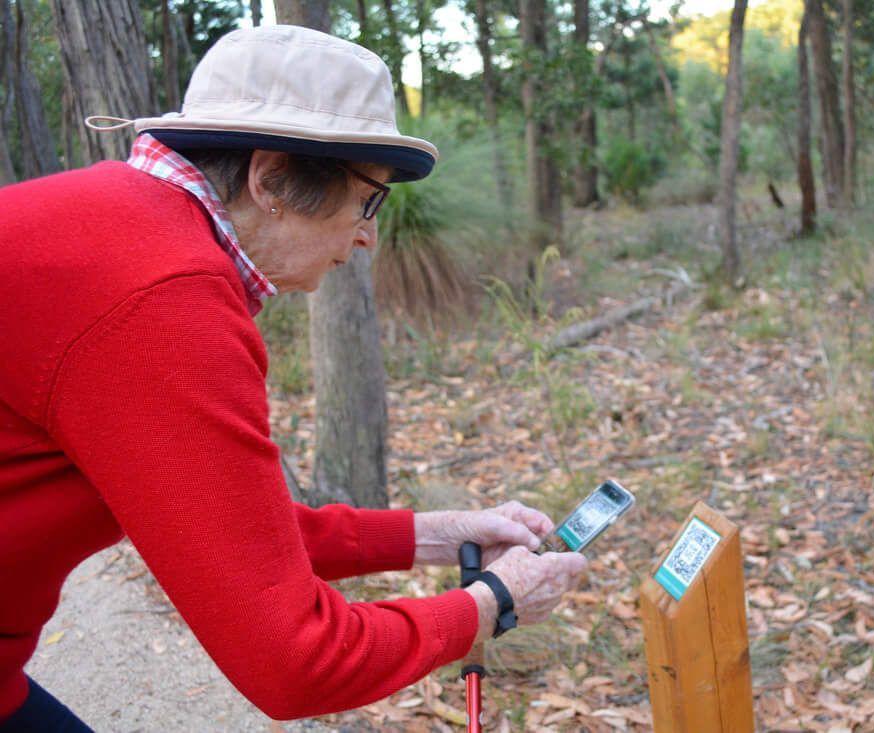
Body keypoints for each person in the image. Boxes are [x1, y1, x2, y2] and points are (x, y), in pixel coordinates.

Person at [0, 24, 587, 730]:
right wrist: (491, 602)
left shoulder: (123, 230)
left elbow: (237, 531)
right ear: (272, 178)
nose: (369, 233)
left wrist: (442, 532)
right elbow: (295, 662)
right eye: (368, 199)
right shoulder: (162, 299)